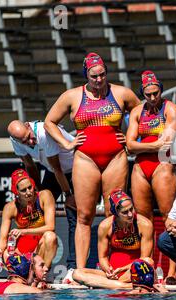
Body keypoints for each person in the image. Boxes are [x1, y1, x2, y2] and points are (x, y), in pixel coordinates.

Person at [44, 52, 141, 269]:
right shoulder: (72, 96)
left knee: (112, 213)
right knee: (84, 215)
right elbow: (49, 122)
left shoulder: (121, 93)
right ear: (86, 75)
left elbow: (140, 113)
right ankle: (80, 270)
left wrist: (131, 137)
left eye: (102, 75)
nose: (98, 80)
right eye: (93, 76)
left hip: (115, 158)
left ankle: (112, 266)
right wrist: (67, 143)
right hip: (86, 158)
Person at [126, 70, 176, 283]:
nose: (152, 98)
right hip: (141, 167)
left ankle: (172, 272)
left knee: (169, 217)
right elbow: (129, 146)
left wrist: (141, 146)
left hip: (162, 165)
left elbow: (165, 143)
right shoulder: (137, 112)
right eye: (147, 94)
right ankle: (146, 266)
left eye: (155, 93)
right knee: (143, 220)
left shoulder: (171, 109)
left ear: (161, 90)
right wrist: (151, 144)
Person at [7, 119, 77, 273]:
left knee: (73, 214)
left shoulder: (43, 134)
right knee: (38, 212)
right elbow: (30, 166)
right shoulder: (16, 140)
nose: (30, 141)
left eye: (29, 136)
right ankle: (39, 271)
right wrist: (36, 194)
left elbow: (57, 167)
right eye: (25, 141)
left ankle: (73, 267)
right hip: (55, 172)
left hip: (76, 166)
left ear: (28, 126)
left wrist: (68, 194)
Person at [72, 189, 153, 289]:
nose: (130, 214)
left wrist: (122, 269)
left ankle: (108, 284)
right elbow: (102, 257)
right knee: (77, 273)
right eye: (125, 212)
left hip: (132, 272)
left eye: (131, 209)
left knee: (147, 261)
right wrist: (108, 270)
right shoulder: (105, 226)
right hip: (111, 274)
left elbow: (142, 260)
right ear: (116, 213)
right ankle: (126, 286)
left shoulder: (145, 225)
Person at [0, 169, 58, 272]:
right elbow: (3, 239)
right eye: (23, 190)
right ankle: (23, 275)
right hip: (22, 250)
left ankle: (43, 274)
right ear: (16, 192)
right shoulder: (10, 208)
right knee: (5, 253)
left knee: (50, 236)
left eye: (30, 187)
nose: (28, 192)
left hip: (40, 246)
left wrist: (23, 231)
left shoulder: (44, 196)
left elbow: (50, 227)